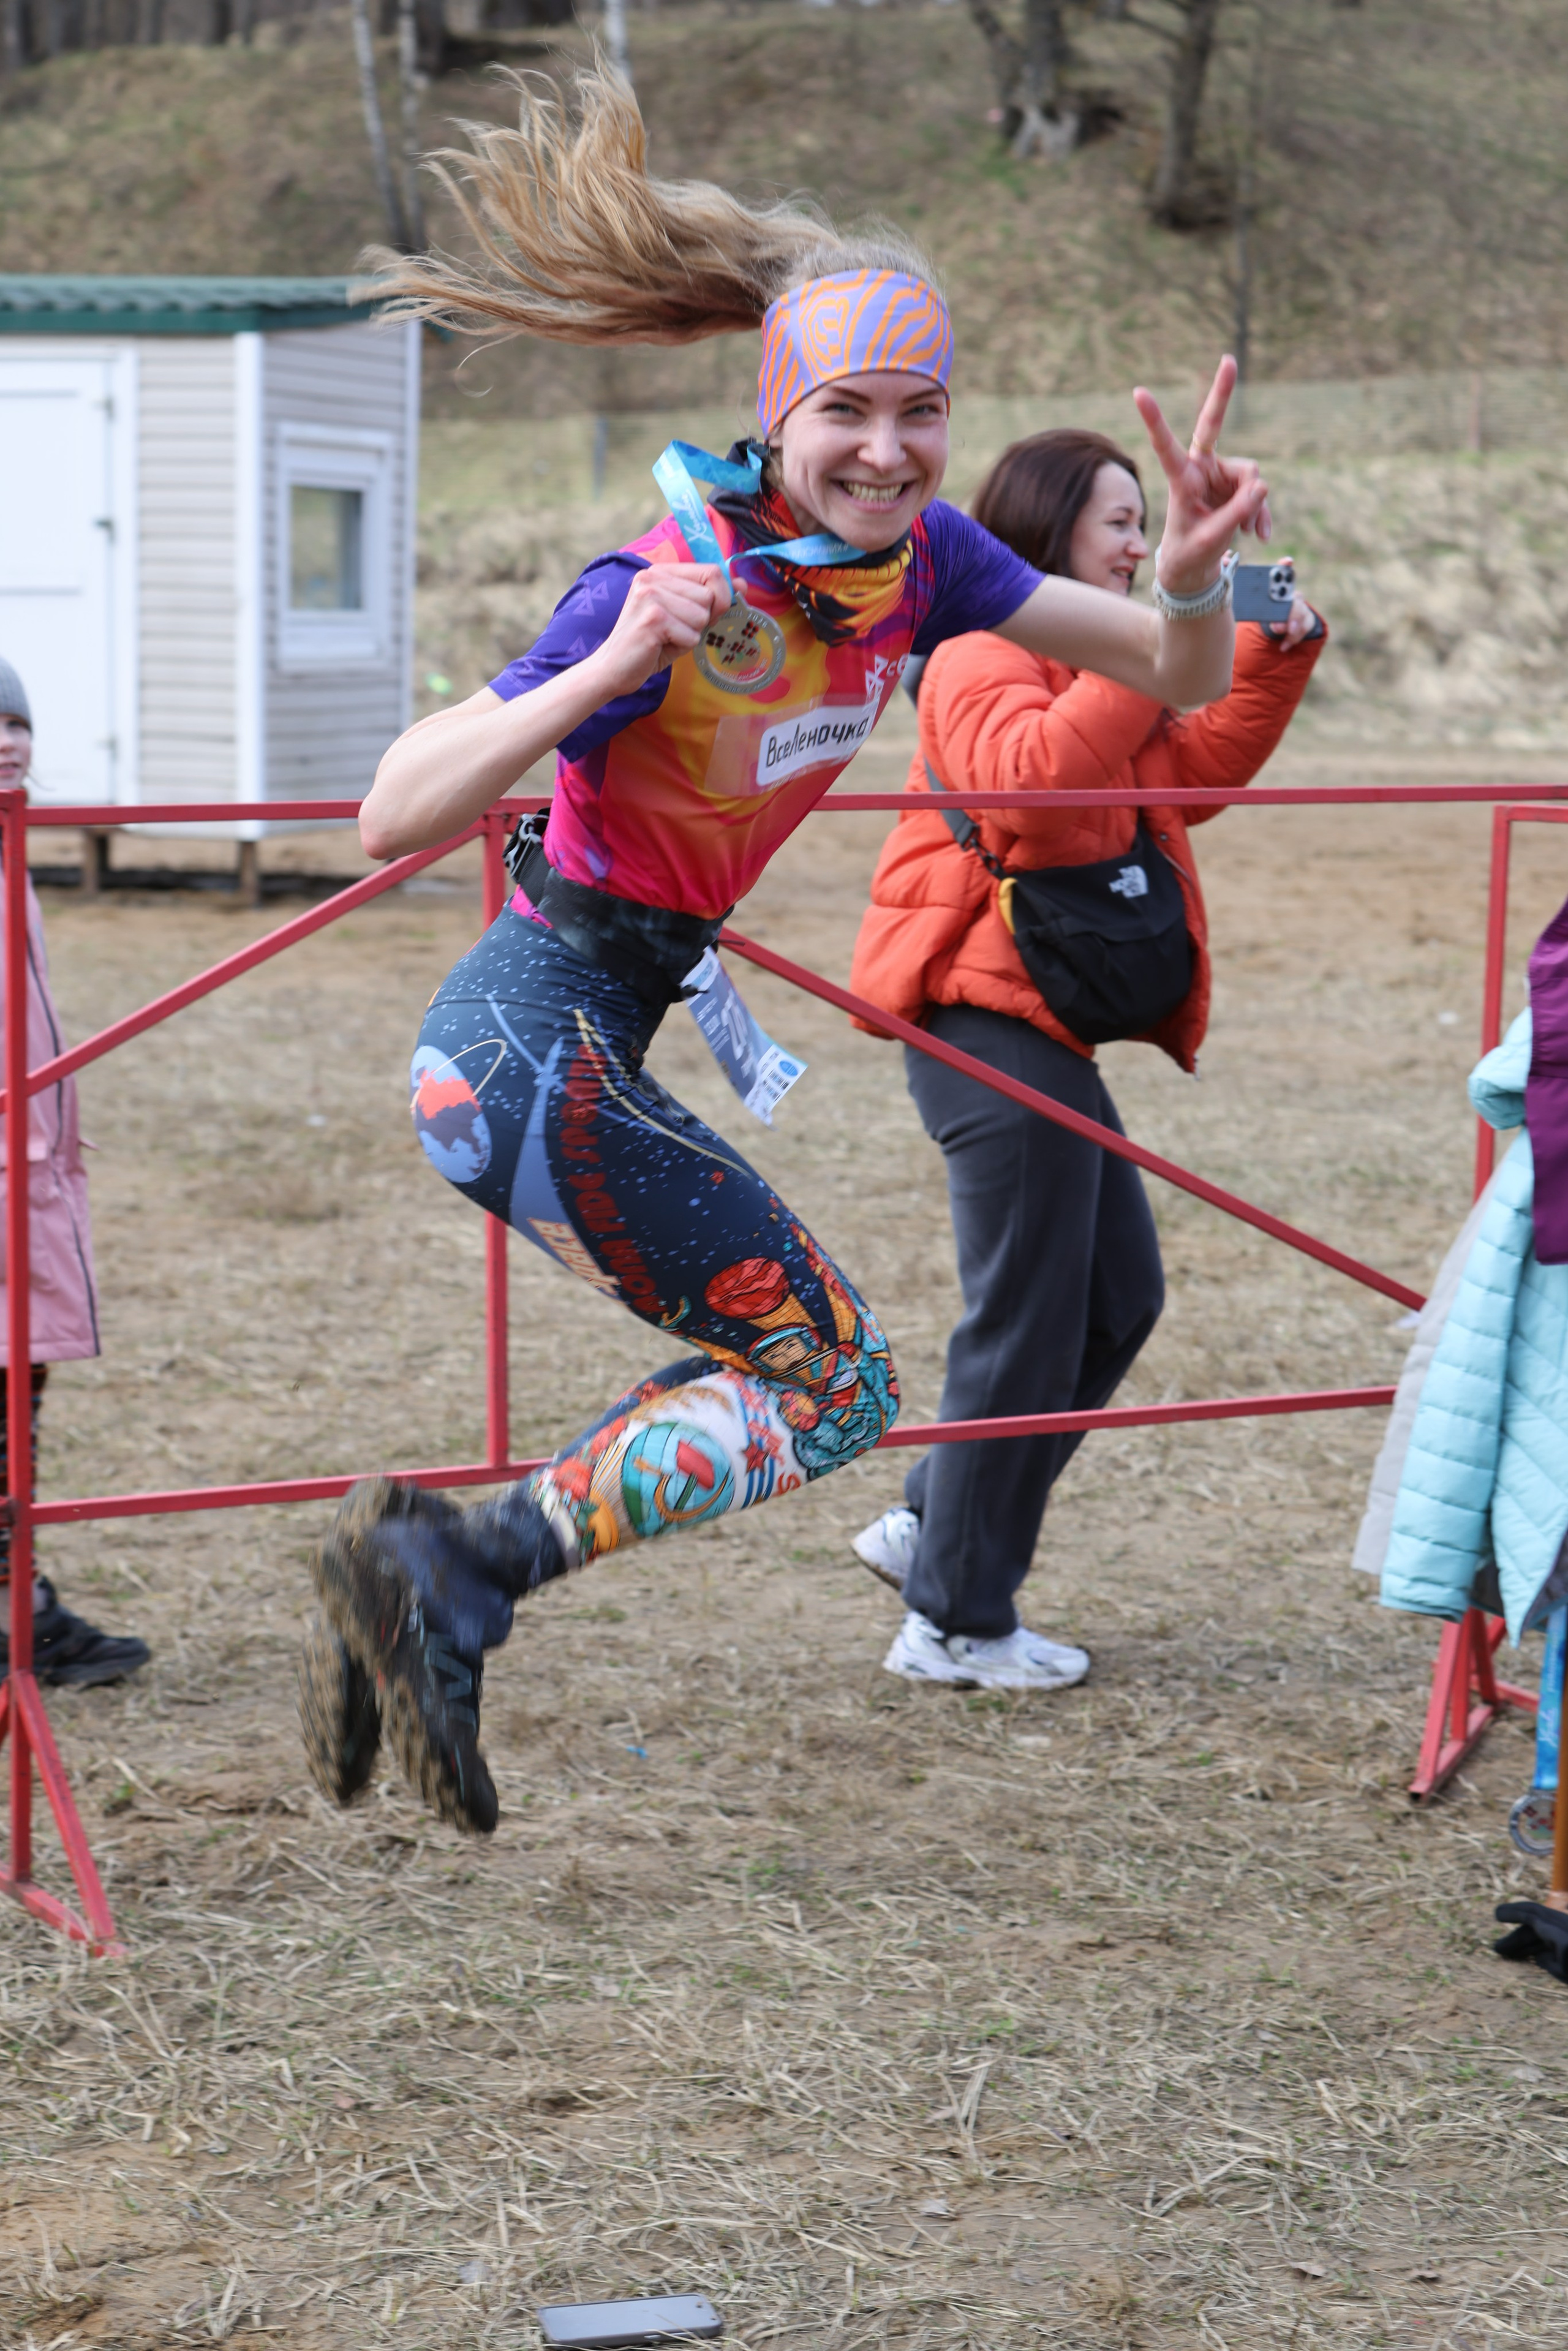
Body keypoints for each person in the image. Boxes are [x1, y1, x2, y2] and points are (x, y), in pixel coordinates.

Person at [296, 67, 1273, 1837]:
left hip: (593, 1044)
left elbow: (1185, 677)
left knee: (817, 1375)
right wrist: (606, 672)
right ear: (777, 410)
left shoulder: (923, 566)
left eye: (921, 410)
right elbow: (387, 812)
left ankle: (439, 1573)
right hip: (522, 1046)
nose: (888, 448)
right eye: (846, 411)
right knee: (838, 1381)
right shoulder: (662, 575)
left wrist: (1198, 574)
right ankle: (441, 1568)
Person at [846, 428, 1325, 1691]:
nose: (1133, 545)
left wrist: (1263, 639)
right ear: (1049, 529)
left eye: (1140, 525)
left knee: (1115, 1299)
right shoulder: (976, 648)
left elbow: (1199, 768)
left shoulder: (1110, 662)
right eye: (1118, 524)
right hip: (969, 1012)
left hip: (1039, 1020)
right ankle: (952, 1619)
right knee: (1024, 1317)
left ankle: (931, 1523)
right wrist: (1157, 635)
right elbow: (1027, 785)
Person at [0, 660, 149, 1688]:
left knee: (22, 1389)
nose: (13, 745)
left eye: (18, 728)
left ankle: (21, 1599)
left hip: (31, 1166)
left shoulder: (14, 855)